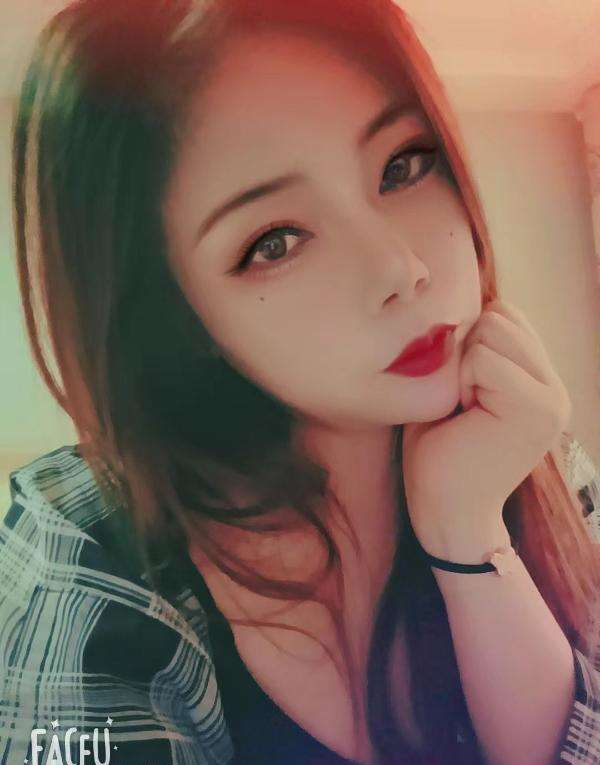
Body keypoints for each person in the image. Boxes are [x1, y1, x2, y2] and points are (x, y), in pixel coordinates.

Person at [2, 0, 600, 763]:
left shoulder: (525, 447)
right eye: (276, 241)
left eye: (402, 166)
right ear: (176, 316)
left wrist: (469, 537)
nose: (400, 268)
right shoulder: (86, 555)